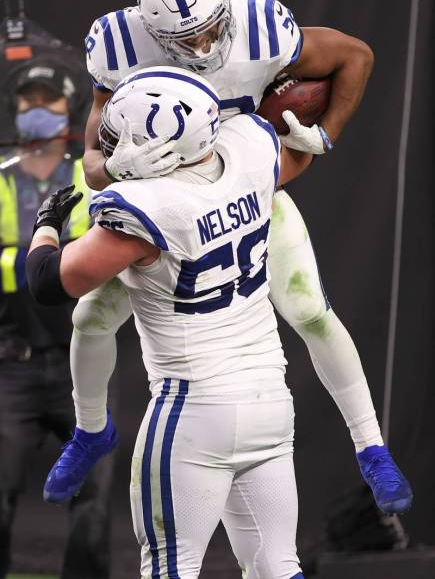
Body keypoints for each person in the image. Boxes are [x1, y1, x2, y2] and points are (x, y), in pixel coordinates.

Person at [57, 0, 411, 514]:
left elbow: (356, 56)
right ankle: (91, 429)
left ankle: (371, 447)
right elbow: (94, 156)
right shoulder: (120, 46)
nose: (200, 46)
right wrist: (115, 165)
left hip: (244, 196)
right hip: (165, 215)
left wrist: (324, 136)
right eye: (183, 39)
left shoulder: (261, 28)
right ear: (149, 29)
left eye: (209, 30)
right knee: (90, 317)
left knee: (312, 313)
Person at [27, 66, 316, 579]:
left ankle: (90, 427)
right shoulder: (250, 155)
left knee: (169, 569)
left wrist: (46, 225)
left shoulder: (147, 210)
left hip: (193, 411)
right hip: (270, 400)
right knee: (277, 565)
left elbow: (50, 282)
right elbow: (296, 157)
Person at [0, 62, 113, 579]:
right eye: (28, 100)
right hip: (11, 367)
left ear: (68, 107)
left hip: (82, 363)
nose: (37, 109)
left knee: (94, 501)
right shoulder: (1, 178)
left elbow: (111, 258)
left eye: (48, 99)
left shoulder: (89, 180)